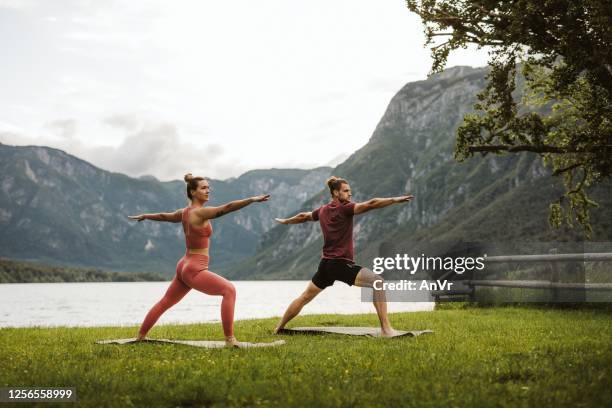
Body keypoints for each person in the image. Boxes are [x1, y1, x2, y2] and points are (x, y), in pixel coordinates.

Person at [129, 173, 270, 347]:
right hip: (194, 266)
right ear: (193, 192)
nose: (207, 190)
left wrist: (146, 216)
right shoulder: (200, 213)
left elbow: (166, 216)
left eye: (208, 187)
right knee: (229, 290)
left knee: (166, 301)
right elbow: (228, 207)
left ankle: (141, 336)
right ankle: (230, 340)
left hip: (184, 265)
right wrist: (252, 199)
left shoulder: (184, 213)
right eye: (203, 188)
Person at [273, 176, 413, 337]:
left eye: (350, 191)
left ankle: (279, 328)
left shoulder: (322, 210)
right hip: (340, 264)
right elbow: (371, 204)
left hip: (325, 265)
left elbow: (304, 216)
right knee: (378, 282)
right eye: (346, 191)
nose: (349, 194)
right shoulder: (345, 209)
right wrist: (394, 200)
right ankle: (386, 329)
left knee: (305, 297)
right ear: (335, 193)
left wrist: (286, 221)